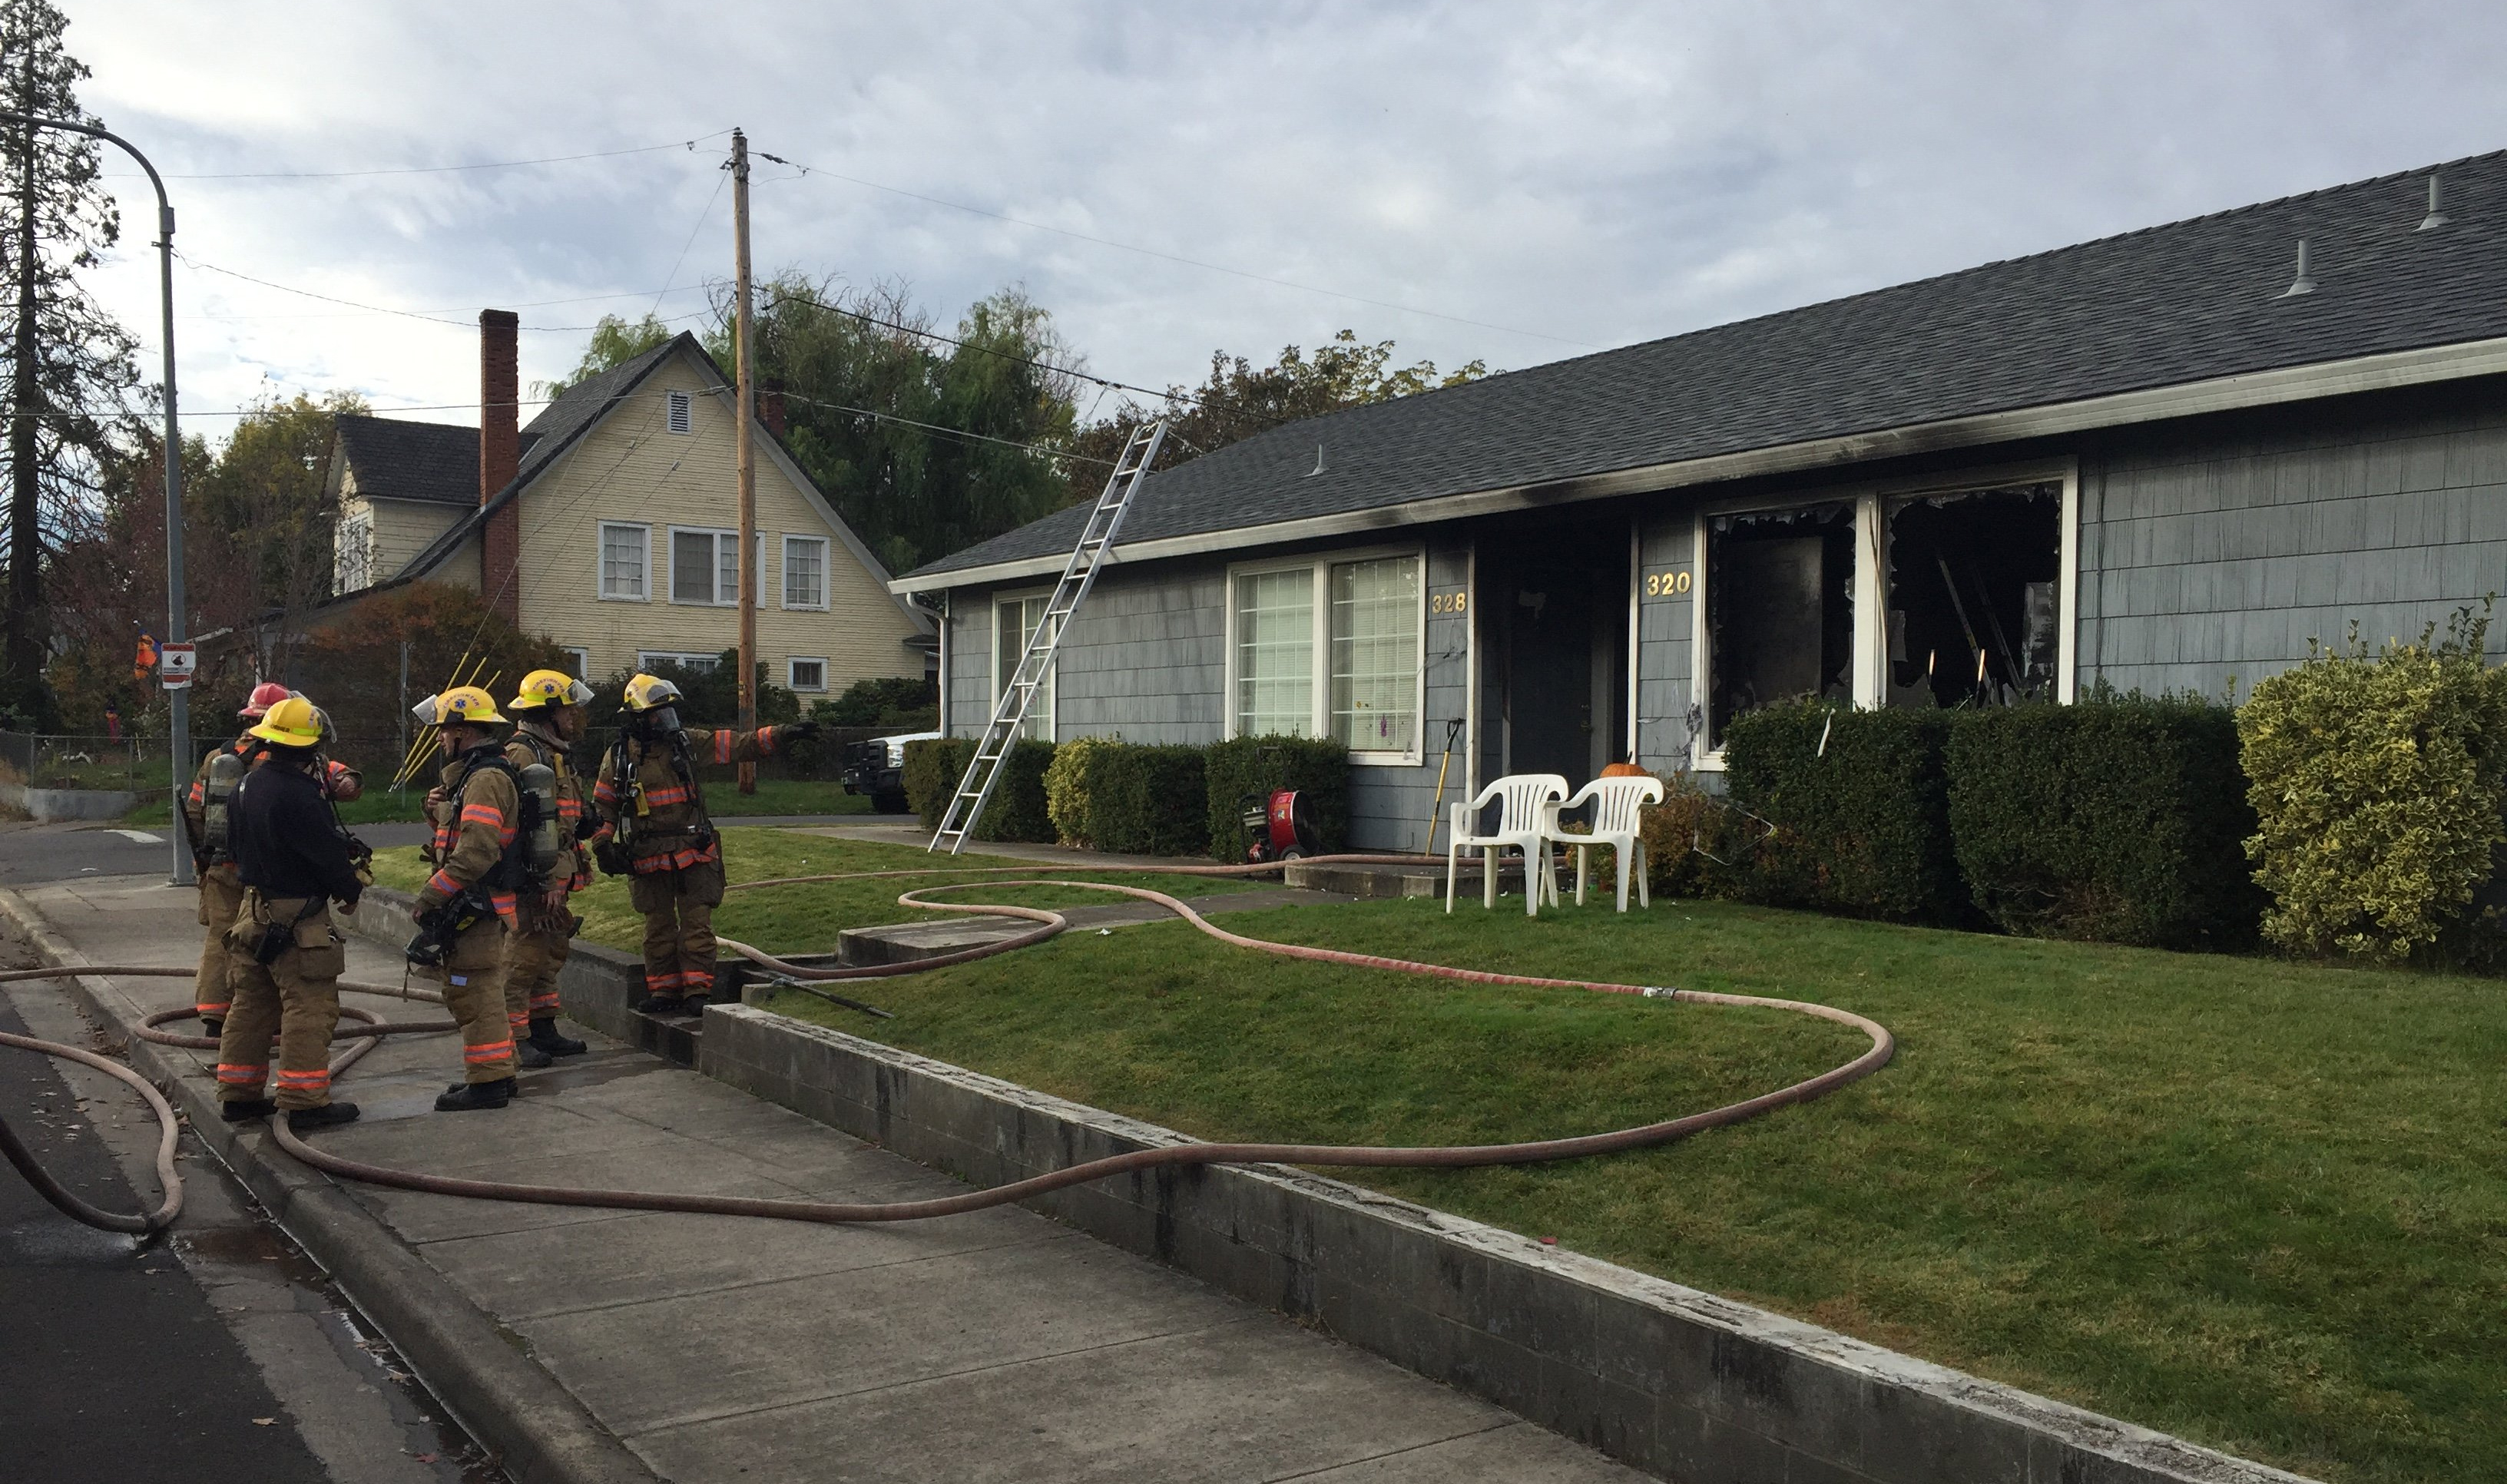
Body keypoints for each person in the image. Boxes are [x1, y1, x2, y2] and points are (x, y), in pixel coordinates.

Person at [590, 674, 810, 1015]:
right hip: (648, 855)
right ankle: (663, 993)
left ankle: (697, 992)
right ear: (637, 717)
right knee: (658, 929)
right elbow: (604, 805)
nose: (666, 721)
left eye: (668, 713)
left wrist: (781, 734)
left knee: (697, 926)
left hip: (694, 850)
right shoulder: (619, 756)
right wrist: (603, 844)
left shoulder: (686, 742)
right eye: (657, 715)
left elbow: (740, 744)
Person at [211, 694, 364, 1131]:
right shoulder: (300, 794)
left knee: (251, 1005)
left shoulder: (247, 784)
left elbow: (235, 846)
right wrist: (350, 889)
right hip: (299, 918)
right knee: (309, 1007)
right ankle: (304, 1100)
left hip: (253, 912)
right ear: (310, 748)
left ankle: (238, 1096)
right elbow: (324, 855)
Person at [410, 684, 526, 1112]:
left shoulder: (485, 780)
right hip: (476, 902)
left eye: (445, 730)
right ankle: (500, 1072)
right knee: (479, 991)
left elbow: (477, 850)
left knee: (472, 992)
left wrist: (430, 896)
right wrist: (435, 807)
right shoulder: (474, 778)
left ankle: (489, 1083)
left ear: (463, 731)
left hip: (475, 904)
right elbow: (456, 834)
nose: (440, 738)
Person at [183, 681, 294, 1036]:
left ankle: (214, 1015)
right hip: (266, 869)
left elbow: (196, 811)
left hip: (219, 865)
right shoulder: (283, 758)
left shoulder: (217, 759)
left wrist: (204, 860)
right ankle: (264, 1014)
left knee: (221, 937)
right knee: (264, 937)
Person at [500, 670, 595, 1068]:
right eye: (568, 711)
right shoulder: (525, 754)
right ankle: (513, 1039)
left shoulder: (550, 751)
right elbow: (531, 826)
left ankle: (543, 1030)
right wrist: (549, 876)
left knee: (547, 955)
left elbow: (565, 818)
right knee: (521, 962)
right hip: (536, 879)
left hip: (555, 871)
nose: (573, 718)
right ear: (550, 712)